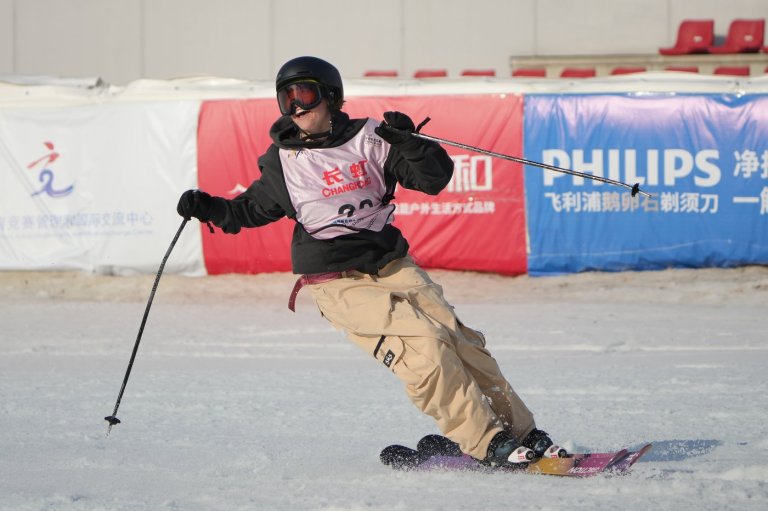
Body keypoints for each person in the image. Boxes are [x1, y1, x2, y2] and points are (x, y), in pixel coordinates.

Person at [177, 56, 560, 466]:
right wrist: (209, 208)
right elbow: (248, 211)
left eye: (303, 93)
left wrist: (409, 142)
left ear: (330, 95)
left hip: (391, 262)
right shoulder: (282, 161)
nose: (296, 107)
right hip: (336, 281)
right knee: (425, 348)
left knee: (461, 342)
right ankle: (485, 442)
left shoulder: (372, 138)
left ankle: (520, 432)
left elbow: (433, 179)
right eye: (286, 98)